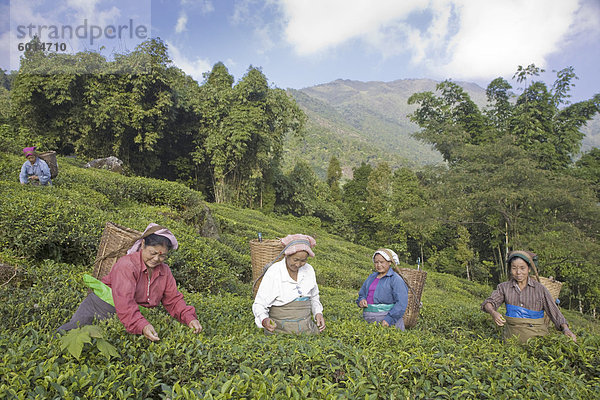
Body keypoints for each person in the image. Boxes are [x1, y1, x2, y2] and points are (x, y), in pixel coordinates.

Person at [58, 223, 202, 341]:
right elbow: (125, 301)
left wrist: (189, 318)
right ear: (143, 244)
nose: (156, 259)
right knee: (71, 337)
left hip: (126, 315)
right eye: (152, 253)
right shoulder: (127, 265)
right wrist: (142, 325)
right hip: (99, 307)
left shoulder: (164, 271)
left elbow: (173, 299)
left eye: (162, 256)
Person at [482, 250, 576, 343]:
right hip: (512, 340)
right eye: (514, 268)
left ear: (529, 269)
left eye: (522, 268)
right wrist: (493, 312)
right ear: (510, 269)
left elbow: (554, 312)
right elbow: (489, 303)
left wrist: (566, 329)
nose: (518, 272)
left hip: (537, 341)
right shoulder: (504, 287)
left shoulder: (540, 289)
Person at [252, 234, 326, 335]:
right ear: (287, 255)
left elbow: (314, 296)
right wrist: (264, 320)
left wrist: (318, 313)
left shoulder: (309, 270)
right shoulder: (275, 271)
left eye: (303, 260)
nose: (298, 264)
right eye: (295, 260)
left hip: (307, 329)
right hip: (280, 330)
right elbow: (259, 303)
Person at [357, 248, 409, 330]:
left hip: (387, 320)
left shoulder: (395, 279)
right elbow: (362, 294)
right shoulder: (371, 277)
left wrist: (389, 319)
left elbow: (401, 303)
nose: (378, 265)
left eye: (382, 262)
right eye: (376, 262)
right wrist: (361, 300)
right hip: (368, 320)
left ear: (389, 262)